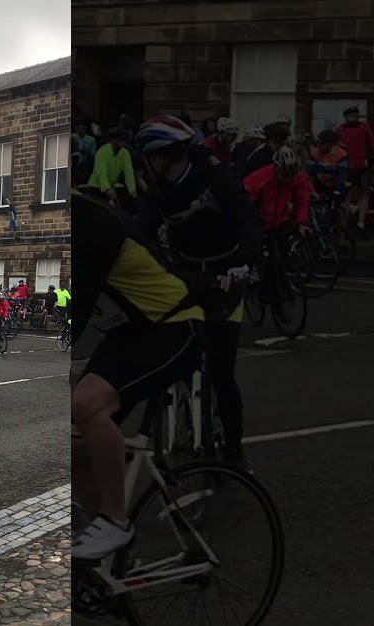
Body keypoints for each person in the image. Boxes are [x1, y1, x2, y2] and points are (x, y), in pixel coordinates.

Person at [72, 191, 204, 560]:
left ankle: (115, 521)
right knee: (75, 438)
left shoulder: (89, 222)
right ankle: (99, 538)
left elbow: (78, 311)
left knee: (86, 405)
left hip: (173, 323)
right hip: (128, 331)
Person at [132, 115, 262, 469]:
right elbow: (139, 235)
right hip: (187, 275)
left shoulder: (217, 179)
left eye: (146, 157)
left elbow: (249, 224)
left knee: (221, 372)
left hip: (226, 276)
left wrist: (241, 263)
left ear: (161, 157)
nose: (144, 165)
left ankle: (234, 452)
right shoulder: (158, 191)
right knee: (167, 353)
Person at [246, 145, 314, 237]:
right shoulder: (260, 178)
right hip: (260, 223)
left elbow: (302, 200)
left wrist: (302, 222)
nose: (287, 179)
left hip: (280, 222)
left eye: (291, 176)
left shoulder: (296, 178)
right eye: (284, 175)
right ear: (276, 168)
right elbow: (244, 201)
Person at [336, 106, 374, 234]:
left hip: (346, 167)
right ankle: (360, 222)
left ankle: (345, 223)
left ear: (346, 117)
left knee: (347, 196)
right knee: (364, 193)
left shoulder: (340, 130)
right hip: (362, 165)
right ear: (357, 116)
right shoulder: (364, 128)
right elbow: (373, 147)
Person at [88, 127, 139, 214]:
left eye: (125, 140)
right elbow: (101, 173)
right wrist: (108, 189)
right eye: (122, 140)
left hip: (111, 187)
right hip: (96, 188)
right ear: (113, 140)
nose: (124, 143)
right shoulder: (102, 151)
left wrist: (132, 191)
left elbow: (129, 173)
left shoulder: (125, 153)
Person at [307, 129, 350, 206]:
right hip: (320, 183)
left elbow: (342, 175)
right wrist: (310, 190)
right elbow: (308, 174)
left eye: (321, 143)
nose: (318, 146)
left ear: (330, 144)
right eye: (317, 143)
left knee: (337, 206)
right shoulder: (314, 153)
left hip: (335, 184)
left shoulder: (341, 154)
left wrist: (338, 191)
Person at [73, 112, 98, 191]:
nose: (80, 130)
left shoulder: (91, 140)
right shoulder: (72, 137)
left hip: (85, 165)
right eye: (78, 128)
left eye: (83, 128)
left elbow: (92, 155)